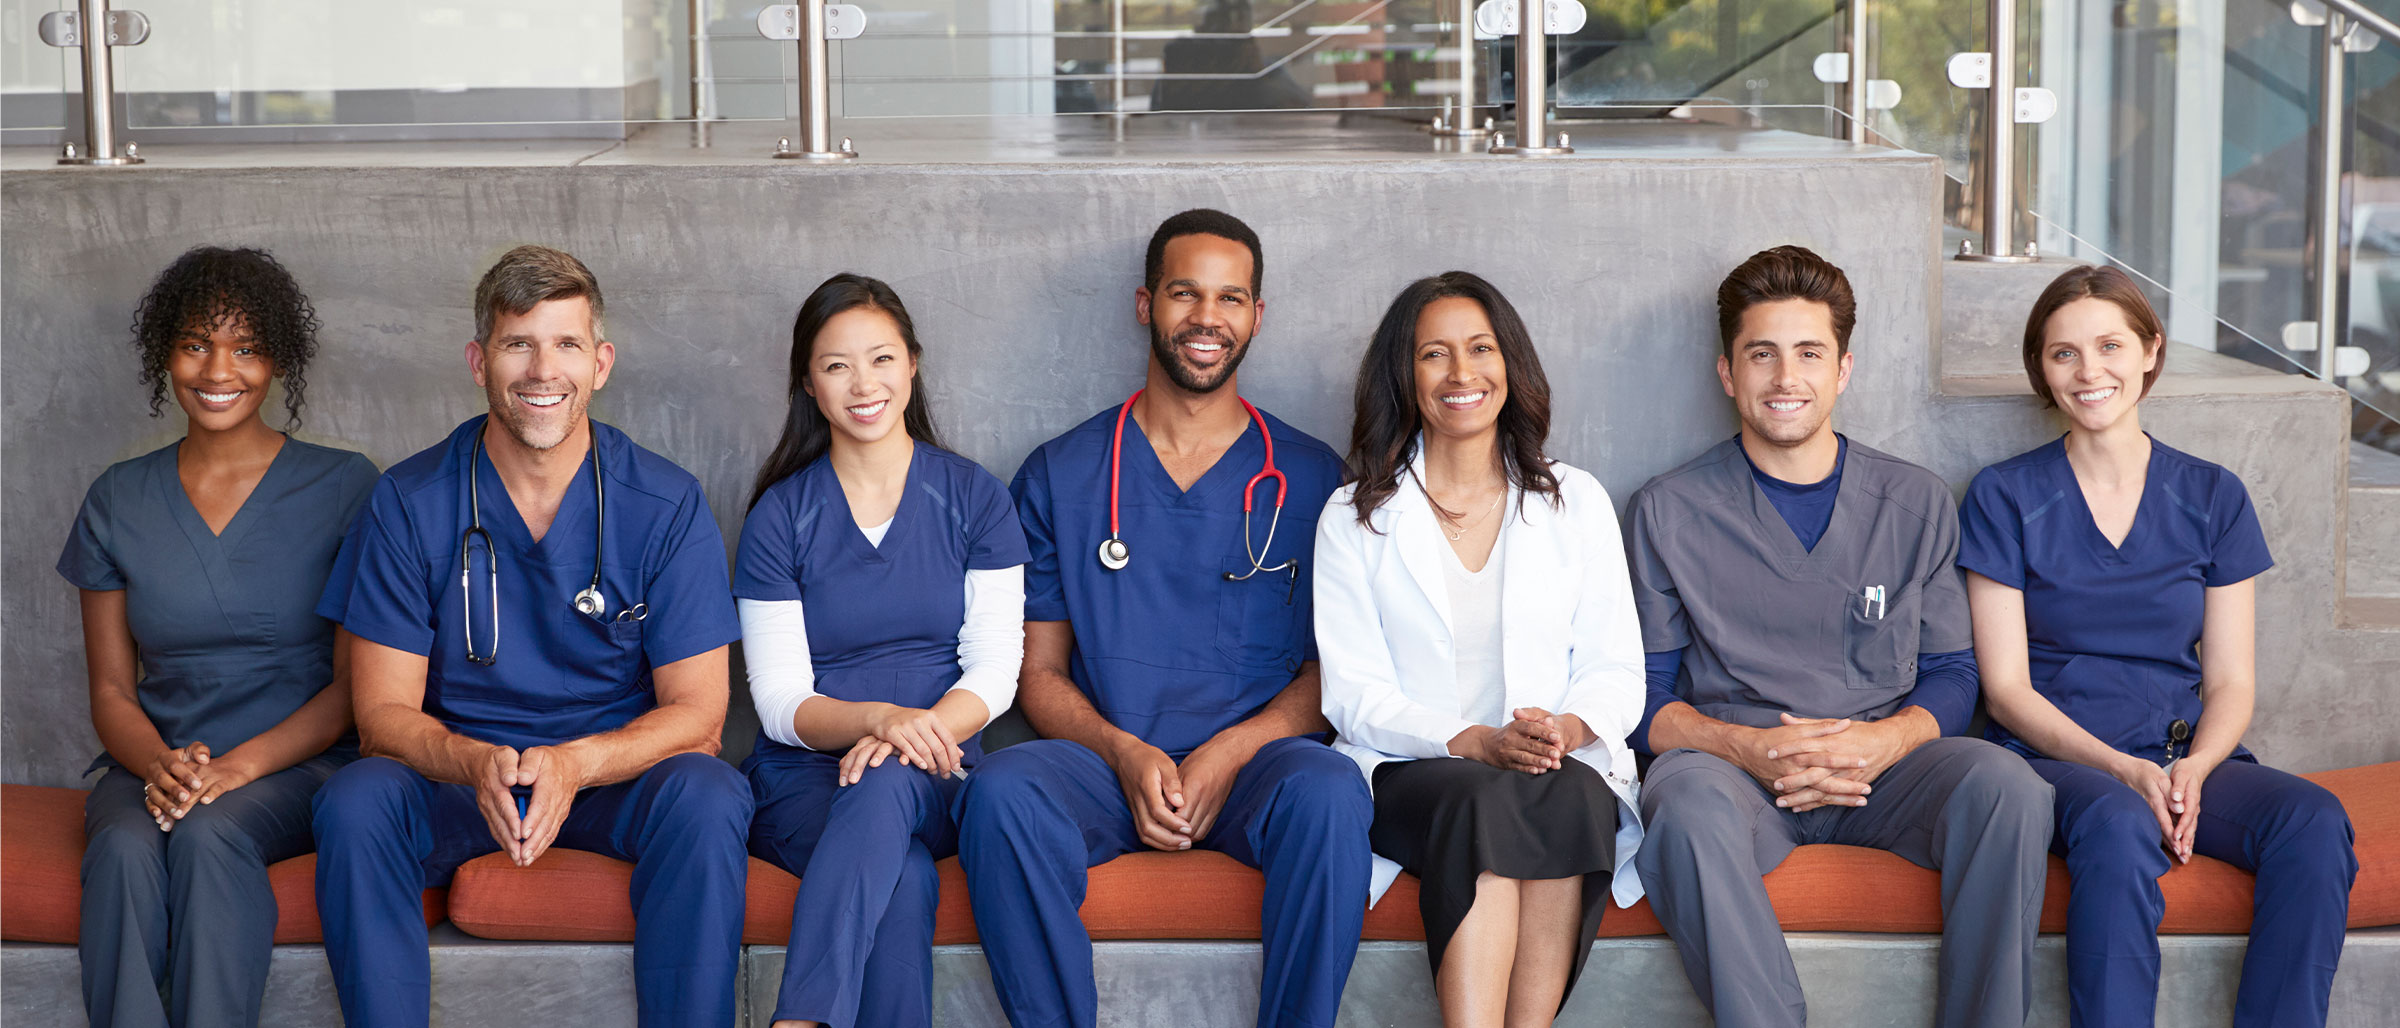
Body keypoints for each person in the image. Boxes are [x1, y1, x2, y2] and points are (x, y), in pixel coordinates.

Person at [307, 245, 751, 1028]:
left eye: (566, 344)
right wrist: (474, 760)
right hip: (457, 782)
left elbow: (701, 715)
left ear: (601, 362)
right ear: (479, 361)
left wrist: (576, 763)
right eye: (519, 343)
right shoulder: (409, 501)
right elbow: (380, 716)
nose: (543, 369)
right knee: (355, 799)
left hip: (611, 781)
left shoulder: (664, 502)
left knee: (709, 794)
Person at [955, 209, 1373, 1028]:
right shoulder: (1061, 474)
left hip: (1257, 771)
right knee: (1000, 792)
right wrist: (1123, 750)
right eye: (1186, 294)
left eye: (1231, 298)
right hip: (1108, 769)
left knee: (1331, 792)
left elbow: (1336, 670)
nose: (1207, 318)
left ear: (1258, 315)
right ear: (1146, 304)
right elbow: (1034, 671)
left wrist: (1229, 751)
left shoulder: (1316, 478)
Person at [1625, 245, 2053, 1028]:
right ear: (1728, 373)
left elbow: (1955, 672)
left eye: (1808, 354)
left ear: (1843, 369)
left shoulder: (1915, 502)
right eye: (1762, 354)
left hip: (1889, 776)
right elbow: (1642, 700)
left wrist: (1883, 743)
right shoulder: (1668, 511)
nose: (1786, 378)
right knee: (1680, 805)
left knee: (2008, 788)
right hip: (1739, 775)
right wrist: (1746, 749)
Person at [1957, 264, 2357, 1028]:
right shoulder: (2003, 494)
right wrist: (2119, 768)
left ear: (2151, 351)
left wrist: (2198, 768)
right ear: (2041, 369)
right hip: (2061, 762)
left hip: (2181, 752)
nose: (2089, 370)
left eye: (2109, 345)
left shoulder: (2212, 495)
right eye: (2062, 353)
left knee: (2312, 821)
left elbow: (2232, 680)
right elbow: (2006, 688)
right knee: (2117, 822)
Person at [1314, 272, 1646, 1028]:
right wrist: (1473, 742)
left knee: (1563, 791)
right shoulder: (1354, 516)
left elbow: (1617, 669)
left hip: (1551, 764)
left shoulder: (1575, 502)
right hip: (1412, 768)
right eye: (1435, 354)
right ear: (1405, 375)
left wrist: (1563, 731)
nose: (1462, 374)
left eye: (1480, 349)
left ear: (1510, 365)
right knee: (1483, 795)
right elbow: (1353, 694)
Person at [63, 246, 378, 1028]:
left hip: (297, 762)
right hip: (153, 761)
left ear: (278, 360)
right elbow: (109, 687)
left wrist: (237, 768)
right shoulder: (117, 498)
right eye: (196, 343)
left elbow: (353, 689)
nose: (218, 368)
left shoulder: (344, 486)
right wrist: (162, 767)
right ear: (164, 352)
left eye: (246, 346)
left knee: (208, 835)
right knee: (126, 852)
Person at [737, 273, 1028, 1028]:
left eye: (881, 359)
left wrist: (913, 734)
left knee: (892, 781)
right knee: (898, 878)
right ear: (808, 382)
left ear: (913, 364)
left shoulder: (975, 498)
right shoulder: (780, 517)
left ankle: (799, 1019)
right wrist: (879, 720)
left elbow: (996, 670)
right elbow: (777, 702)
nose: (863, 384)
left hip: (943, 766)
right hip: (804, 780)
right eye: (836, 365)